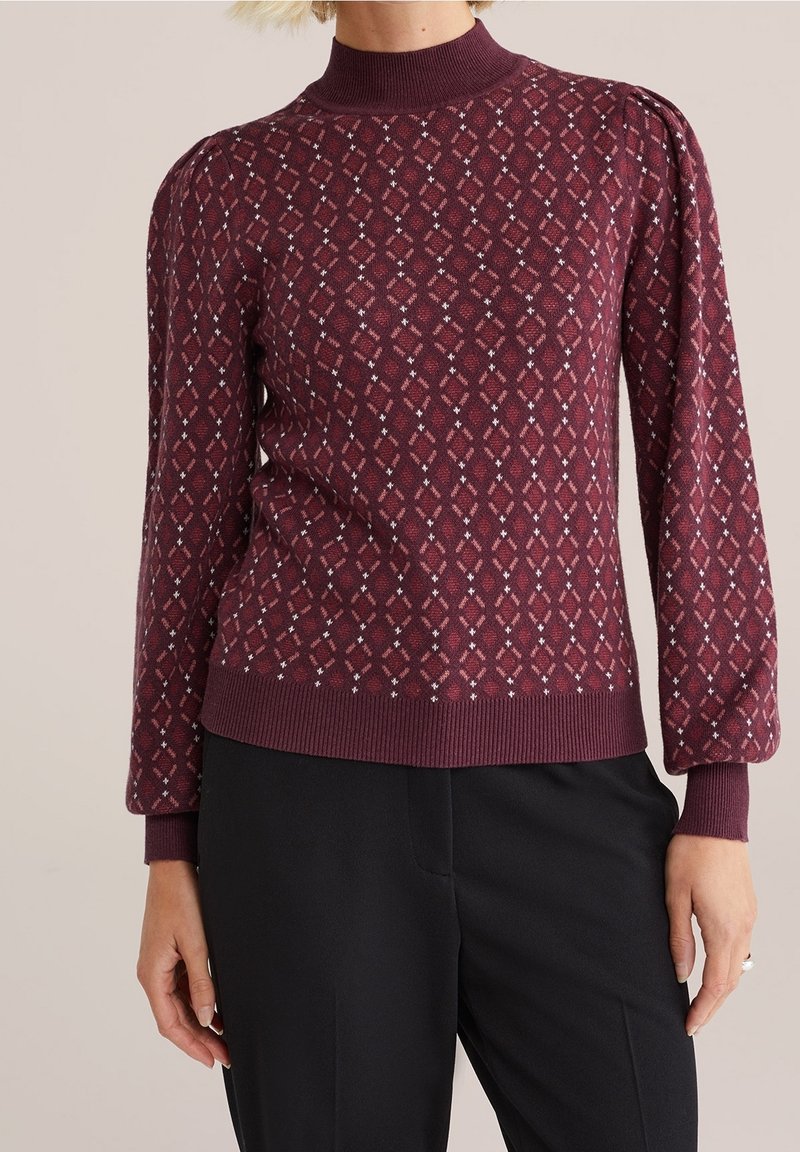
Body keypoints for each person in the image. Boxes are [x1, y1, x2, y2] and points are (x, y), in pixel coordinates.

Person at [128, 2, 779, 1149]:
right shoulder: (225, 185)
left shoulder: (623, 143)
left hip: (570, 789)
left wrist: (717, 798)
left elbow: (699, 466)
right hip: (299, 807)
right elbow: (186, 522)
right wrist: (170, 843)